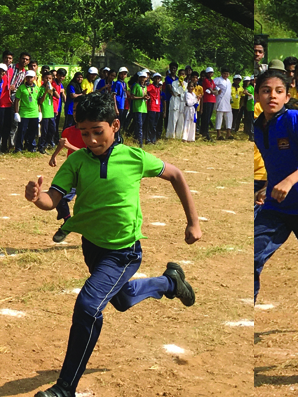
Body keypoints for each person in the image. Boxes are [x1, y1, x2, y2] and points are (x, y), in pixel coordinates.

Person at [23, 91, 201, 397]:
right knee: (120, 298)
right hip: (92, 247)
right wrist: (35, 197)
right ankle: (169, 283)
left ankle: (65, 388)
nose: (91, 140)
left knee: (89, 306)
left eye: (98, 131)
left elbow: (176, 175)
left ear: (115, 125)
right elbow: (53, 198)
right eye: (84, 133)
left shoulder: (134, 158)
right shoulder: (77, 160)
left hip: (124, 253)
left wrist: (193, 222)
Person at [253, 69, 298, 299]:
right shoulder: (257, 127)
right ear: (257, 95)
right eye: (266, 91)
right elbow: (277, 164)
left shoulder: (294, 118)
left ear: (287, 96)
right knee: (252, 257)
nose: (272, 96)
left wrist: (289, 180)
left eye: (278, 91)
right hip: (276, 207)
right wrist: (268, 188)